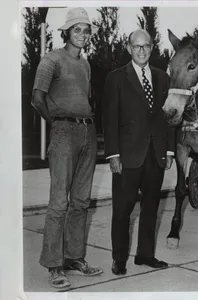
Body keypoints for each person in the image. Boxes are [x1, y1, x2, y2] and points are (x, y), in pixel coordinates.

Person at [31, 7, 103, 289]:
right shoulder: (51, 60)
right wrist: (57, 123)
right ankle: (54, 265)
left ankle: (74, 258)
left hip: (88, 131)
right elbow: (37, 98)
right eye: (77, 30)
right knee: (59, 202)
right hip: (63, 132)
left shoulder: (85, 64)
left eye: (86, 30)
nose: (82, 35)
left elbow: (86, 98)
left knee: (81, 201)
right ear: (66, 32)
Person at [102, 29, 175, 276]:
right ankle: (119, 259)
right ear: (129, 48)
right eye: (137, 46)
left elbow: (169, 117)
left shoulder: (163, 78)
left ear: (152, 47)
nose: (142, 51)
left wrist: (169, 151)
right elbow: (109, 119)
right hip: (127, 156)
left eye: (146, 46)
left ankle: (145, 255)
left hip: (155, 154)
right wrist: (113, 155)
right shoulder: (116, 78)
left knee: (151, 207)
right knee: (122, 210)